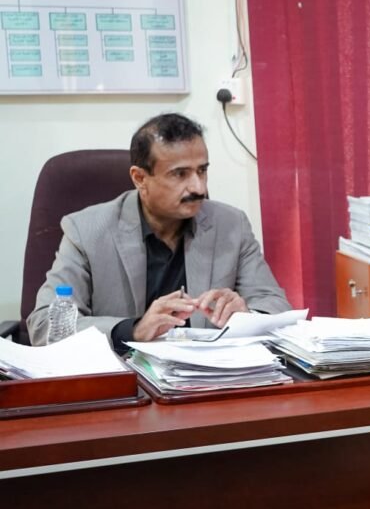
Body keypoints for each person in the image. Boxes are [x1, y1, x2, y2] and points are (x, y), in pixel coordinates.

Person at [27, 112, 291, 348]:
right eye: (180, 174)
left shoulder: (231, 225)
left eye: (202, 171)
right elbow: (43, 324)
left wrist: (246, 314)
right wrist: (132, 330)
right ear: (140, 178)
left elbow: (275, 305)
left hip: (207, 378)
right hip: (124, 378)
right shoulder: (87, 230)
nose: (198, 187)